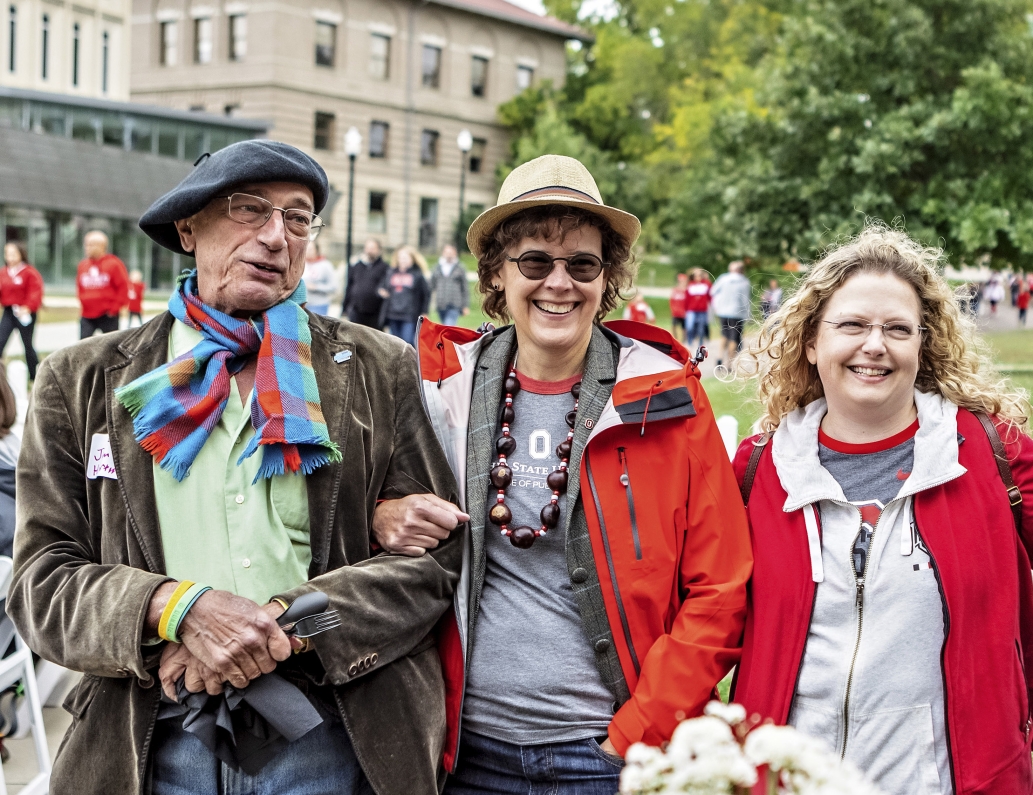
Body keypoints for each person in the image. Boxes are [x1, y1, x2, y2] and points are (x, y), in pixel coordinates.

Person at [8, 139, 466, 795]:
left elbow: (430, 565)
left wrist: (286, 625)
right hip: (153, 741)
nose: (276, 236)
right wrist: (176, 608)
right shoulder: (79, 381)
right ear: (188, 228)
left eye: (298, 217)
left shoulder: (376, 367)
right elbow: (41, 582)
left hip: (333, 738)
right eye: (249, 210)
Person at [382, 154, 751, 794]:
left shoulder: (664, 398)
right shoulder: (442, 387)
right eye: (535, 262)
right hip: (465, 753)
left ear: (606, 279)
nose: (560, 282)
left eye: (582, 264)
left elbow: (720, 587)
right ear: (498, 273)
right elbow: (359, 508)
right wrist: (381, 515)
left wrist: (637, 734)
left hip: (605, 757)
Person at [731, 226, 1033, 793]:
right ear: (811, 342)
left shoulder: (996, 456)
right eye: (852, 325)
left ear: (923, 346)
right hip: (787, 783)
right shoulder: (756, 470)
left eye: (897, 329)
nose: (875, 344)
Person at [0, 243, 43, 380]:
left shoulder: (29, 272)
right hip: (9, 311)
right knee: (1, 340)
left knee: (27, 344)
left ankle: (34, 375)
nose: (10, 257)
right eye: (8, 254)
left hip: (25, 312)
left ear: (21, 254)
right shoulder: (3, 272)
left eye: (13, 254)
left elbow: (35, 292)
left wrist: (28, 307)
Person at [77, 230, 129, 338]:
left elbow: (123, 287)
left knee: (111, 346)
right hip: (87, 314)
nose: (86, 248)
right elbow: (80, 287)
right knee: (82, 346)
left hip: (107, 314)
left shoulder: (113, 264)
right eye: (86, 244)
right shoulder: (83, 265)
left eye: (90, 245)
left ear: (101, 246)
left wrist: (114, 309)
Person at [377, 245, 430, 345]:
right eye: (401, 258)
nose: (403, 260)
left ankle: (411, 360)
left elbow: (426, 294)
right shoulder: (391, 272)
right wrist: (382, 292)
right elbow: (381, 287)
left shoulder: (417, 275)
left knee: (407, 341)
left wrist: (424, 311)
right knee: (396, 343)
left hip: (409, 315)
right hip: (393, 314)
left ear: (412, 259)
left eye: (406, 258)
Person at [710, 261, 752, 367]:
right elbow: (745, 300)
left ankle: (719, 358)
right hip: (737, 313)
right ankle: (729, 363)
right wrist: (748, 315)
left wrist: (718, 305)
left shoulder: (723, 278)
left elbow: (713, 292)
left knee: (724, 335)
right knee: (734, 338)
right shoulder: (744, 282)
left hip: (723, 312)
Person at [342, 238, 389, 327]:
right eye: (368, 248)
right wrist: (344, 307)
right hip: (356, 310)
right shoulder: (357, 266)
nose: (369, 251)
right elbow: (349, 286)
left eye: (373, 248)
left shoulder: (384, 267)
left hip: (375, 312)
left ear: (379, 250)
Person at [430, 244, 470, 327]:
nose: (449, 255)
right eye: (447, 252)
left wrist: (465, 305)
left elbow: (465, 288)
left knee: (448, 326)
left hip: (454, 304)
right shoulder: (437, 268)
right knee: (444, 325)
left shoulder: (459, 268)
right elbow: (431, 285)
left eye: (451, 252)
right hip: (441, 304)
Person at [302, 241, 336, 316]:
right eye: (306, 249)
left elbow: (333, 286)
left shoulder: (325, 265)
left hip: (319, 306)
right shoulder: (301, 264)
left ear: (317, 250)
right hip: (302, 305)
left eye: (310, 249)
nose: (308, 251)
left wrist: (316, 287)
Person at [684, 268, 712, 352]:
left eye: (700, 275)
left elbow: (710, 295)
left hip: (702, 310)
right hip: (691, 309)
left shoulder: (706, 284)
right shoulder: (690, 285)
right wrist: (685, 309)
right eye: (696, 275)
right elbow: (687, 298)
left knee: (701, 328)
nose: (698, 277)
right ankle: (689, 341)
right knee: (690, 326)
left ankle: (700, 344)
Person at [669, 272, 688, 343]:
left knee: (684, 328)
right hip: (676, 312)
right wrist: (673, 309)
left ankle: (684, 340)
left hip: (684, 312)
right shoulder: (675, 290)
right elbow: (671, 301)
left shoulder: (686, 291)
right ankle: (675, 339)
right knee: (674, 326)